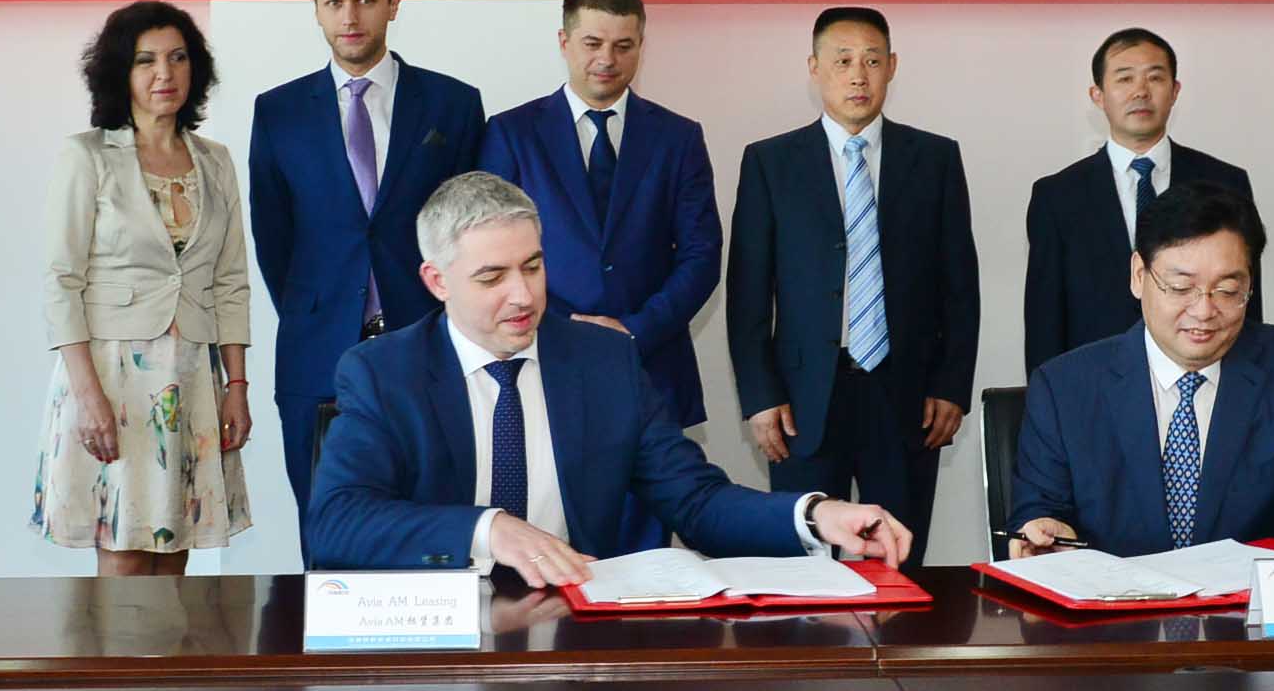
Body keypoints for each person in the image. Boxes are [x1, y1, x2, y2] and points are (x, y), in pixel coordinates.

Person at [310, 174, 914, 582]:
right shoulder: (383, 372)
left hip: (573, 627)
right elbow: (337, 522)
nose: (523, 295)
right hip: (436, 632)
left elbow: (696, 501)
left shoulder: (603, 361)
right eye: (492, 278)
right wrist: (488, 530)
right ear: (437, 281)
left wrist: (814, 516)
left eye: (533, 266)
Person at [1006, 183, 1274, 559]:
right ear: (1138, 275)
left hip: (1245, 617)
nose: (1204, 310)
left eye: (1228, 290)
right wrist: (1047, 532)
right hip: (1115, 617)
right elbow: (1039, 510)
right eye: (1181, 287)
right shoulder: (1065, 387)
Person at [247, 0, 486, 533]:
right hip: (316, 354)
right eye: (333, 2)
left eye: (365, 0)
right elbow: (273, 236)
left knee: (432, 525)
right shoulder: (278, 112)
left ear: (393, 4)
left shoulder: (453, 104)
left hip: (429, 347)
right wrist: (315, 312)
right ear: (316, 9)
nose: (349, 17)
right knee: (324, 525)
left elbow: (470, 230)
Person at [478, 0, 722, 549]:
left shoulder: (678, 137)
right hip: (541, 361)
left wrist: (631, 331)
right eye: (592, 43)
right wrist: (566, 330)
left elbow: (701, 255)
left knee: (646, 557)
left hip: (649, 367)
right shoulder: (511, 134)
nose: (607, 60)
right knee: (549, 546)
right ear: (564, 41)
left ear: (641, 46)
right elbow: (490, 252)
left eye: (623, 45)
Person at [725, 6, 980, 554]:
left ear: (892, 67)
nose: (858, 75)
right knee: (804, 560)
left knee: (900, 556)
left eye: (871, 60)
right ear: (814, 68)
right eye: (843, 61)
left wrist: (952, 385)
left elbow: (960, 286)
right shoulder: (770, 162)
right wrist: (760, 396)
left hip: (907, 394)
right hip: (803, 400)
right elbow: (748, 295)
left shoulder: (935, 159)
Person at [32, 1, 253, 572]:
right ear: (119, 72)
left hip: (193, 376)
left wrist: (237, 385)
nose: (165, 74)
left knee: (175, 555)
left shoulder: (216, 161)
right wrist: (88, 397)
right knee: (125, 554)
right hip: (110, 377)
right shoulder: (87, 156)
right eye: (146, 60)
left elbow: (231, 280)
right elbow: (61, 281)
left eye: (178, 58)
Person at [1023, 26, 1255, 374]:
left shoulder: (1225, 183)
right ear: (1098, 95)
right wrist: (1048, 394)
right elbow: (1045, 317)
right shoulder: (1057, 196)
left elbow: (1245, 297)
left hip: (1206, 376)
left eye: (1155, 78)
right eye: (1125, 78)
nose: (1141, 91)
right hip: (1095, 381)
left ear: (1175, 91)